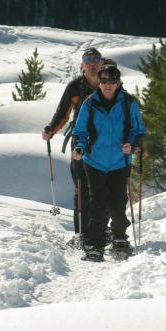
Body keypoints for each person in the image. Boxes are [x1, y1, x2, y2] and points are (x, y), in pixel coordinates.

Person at [72, 65, 146, 262]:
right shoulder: (89, 104)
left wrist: (132, 144)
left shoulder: (128, 103)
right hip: (94, 160)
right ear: (99, 82)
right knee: (97, 203)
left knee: (116, 203)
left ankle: (120, 237)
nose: (107, 85)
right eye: (104, 80)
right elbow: (80, 132)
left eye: (112, 81)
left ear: (118, 84)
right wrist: (80, 147)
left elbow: (138, 130)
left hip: (119, 162)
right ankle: (95, 245)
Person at [41, 47, 104, 244]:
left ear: (101, 63)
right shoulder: (75, 86)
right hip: (80, 140)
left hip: (106, 142)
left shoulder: (110, 82)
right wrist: (51, 129)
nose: (92, 63)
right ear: (82, 64)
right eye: (88, 59)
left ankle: (102, 232)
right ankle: (82, 234)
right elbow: (63, 113)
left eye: (95, 59)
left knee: (106, 188)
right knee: (82, 187)